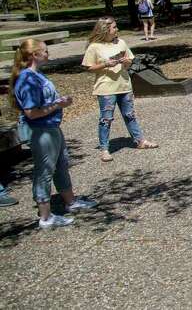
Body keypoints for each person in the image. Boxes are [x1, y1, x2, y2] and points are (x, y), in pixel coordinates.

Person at [12, 39, 97, 228]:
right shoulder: (27, 79)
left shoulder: (37, 75)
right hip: (41, 132)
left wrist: (59, 101)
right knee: (44, 171)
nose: (48, 53)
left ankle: (71, 202)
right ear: (34, 55)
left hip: (52, 128)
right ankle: (45, 217)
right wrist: (58, 104)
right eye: (45, 51)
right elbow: (32, 113)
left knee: (61, 164)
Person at [82, 17, 159, 162]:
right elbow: (88, 68)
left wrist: (127, 62)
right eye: (114, 27)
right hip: (106, 88)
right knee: (106, 119)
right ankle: (104, 149)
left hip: (124, 85)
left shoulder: (121, 43)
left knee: (130, 115)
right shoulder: (94, 47)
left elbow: (130, 62)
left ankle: (140, 141)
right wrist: (105, 64)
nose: (117, 30)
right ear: (105, 29)